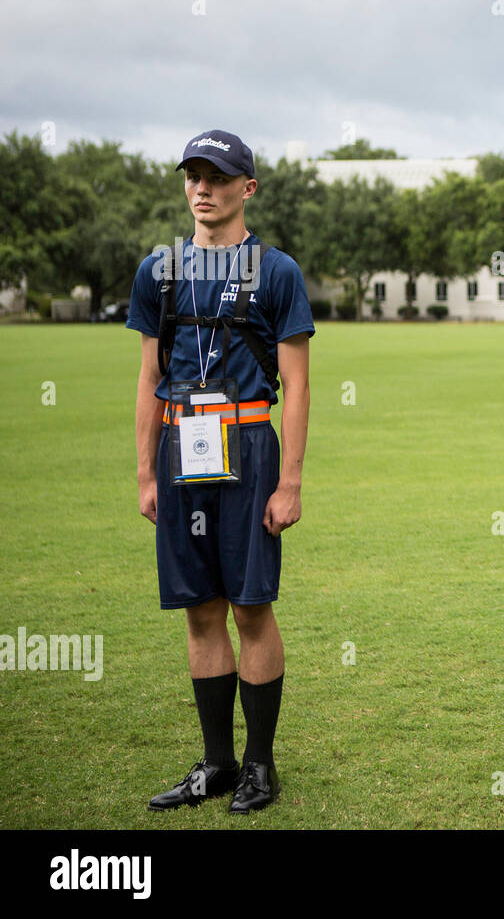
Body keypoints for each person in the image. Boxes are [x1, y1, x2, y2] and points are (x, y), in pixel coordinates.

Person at [127, 130, 314, 813]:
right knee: (199, 613)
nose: (202, 188)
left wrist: (290, 481)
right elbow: (149, 377)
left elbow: (296, 385)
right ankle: (217, 764)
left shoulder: (278, 272)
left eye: (218, 176)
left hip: (248, 455)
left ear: (247, 188)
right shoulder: (159, 271)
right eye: (193, 176)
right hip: (181, 456)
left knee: (250, 608)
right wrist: (146, 472)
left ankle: (261, 765)